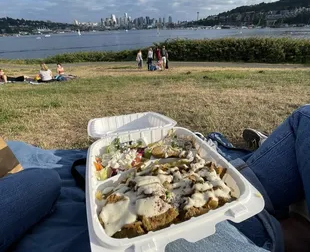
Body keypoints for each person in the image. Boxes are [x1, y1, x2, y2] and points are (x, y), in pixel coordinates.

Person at [2, 105, 310, 252]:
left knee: (305, 117)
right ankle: (286, 231)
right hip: (235, 234)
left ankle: (288, 226)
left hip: (238, 194)